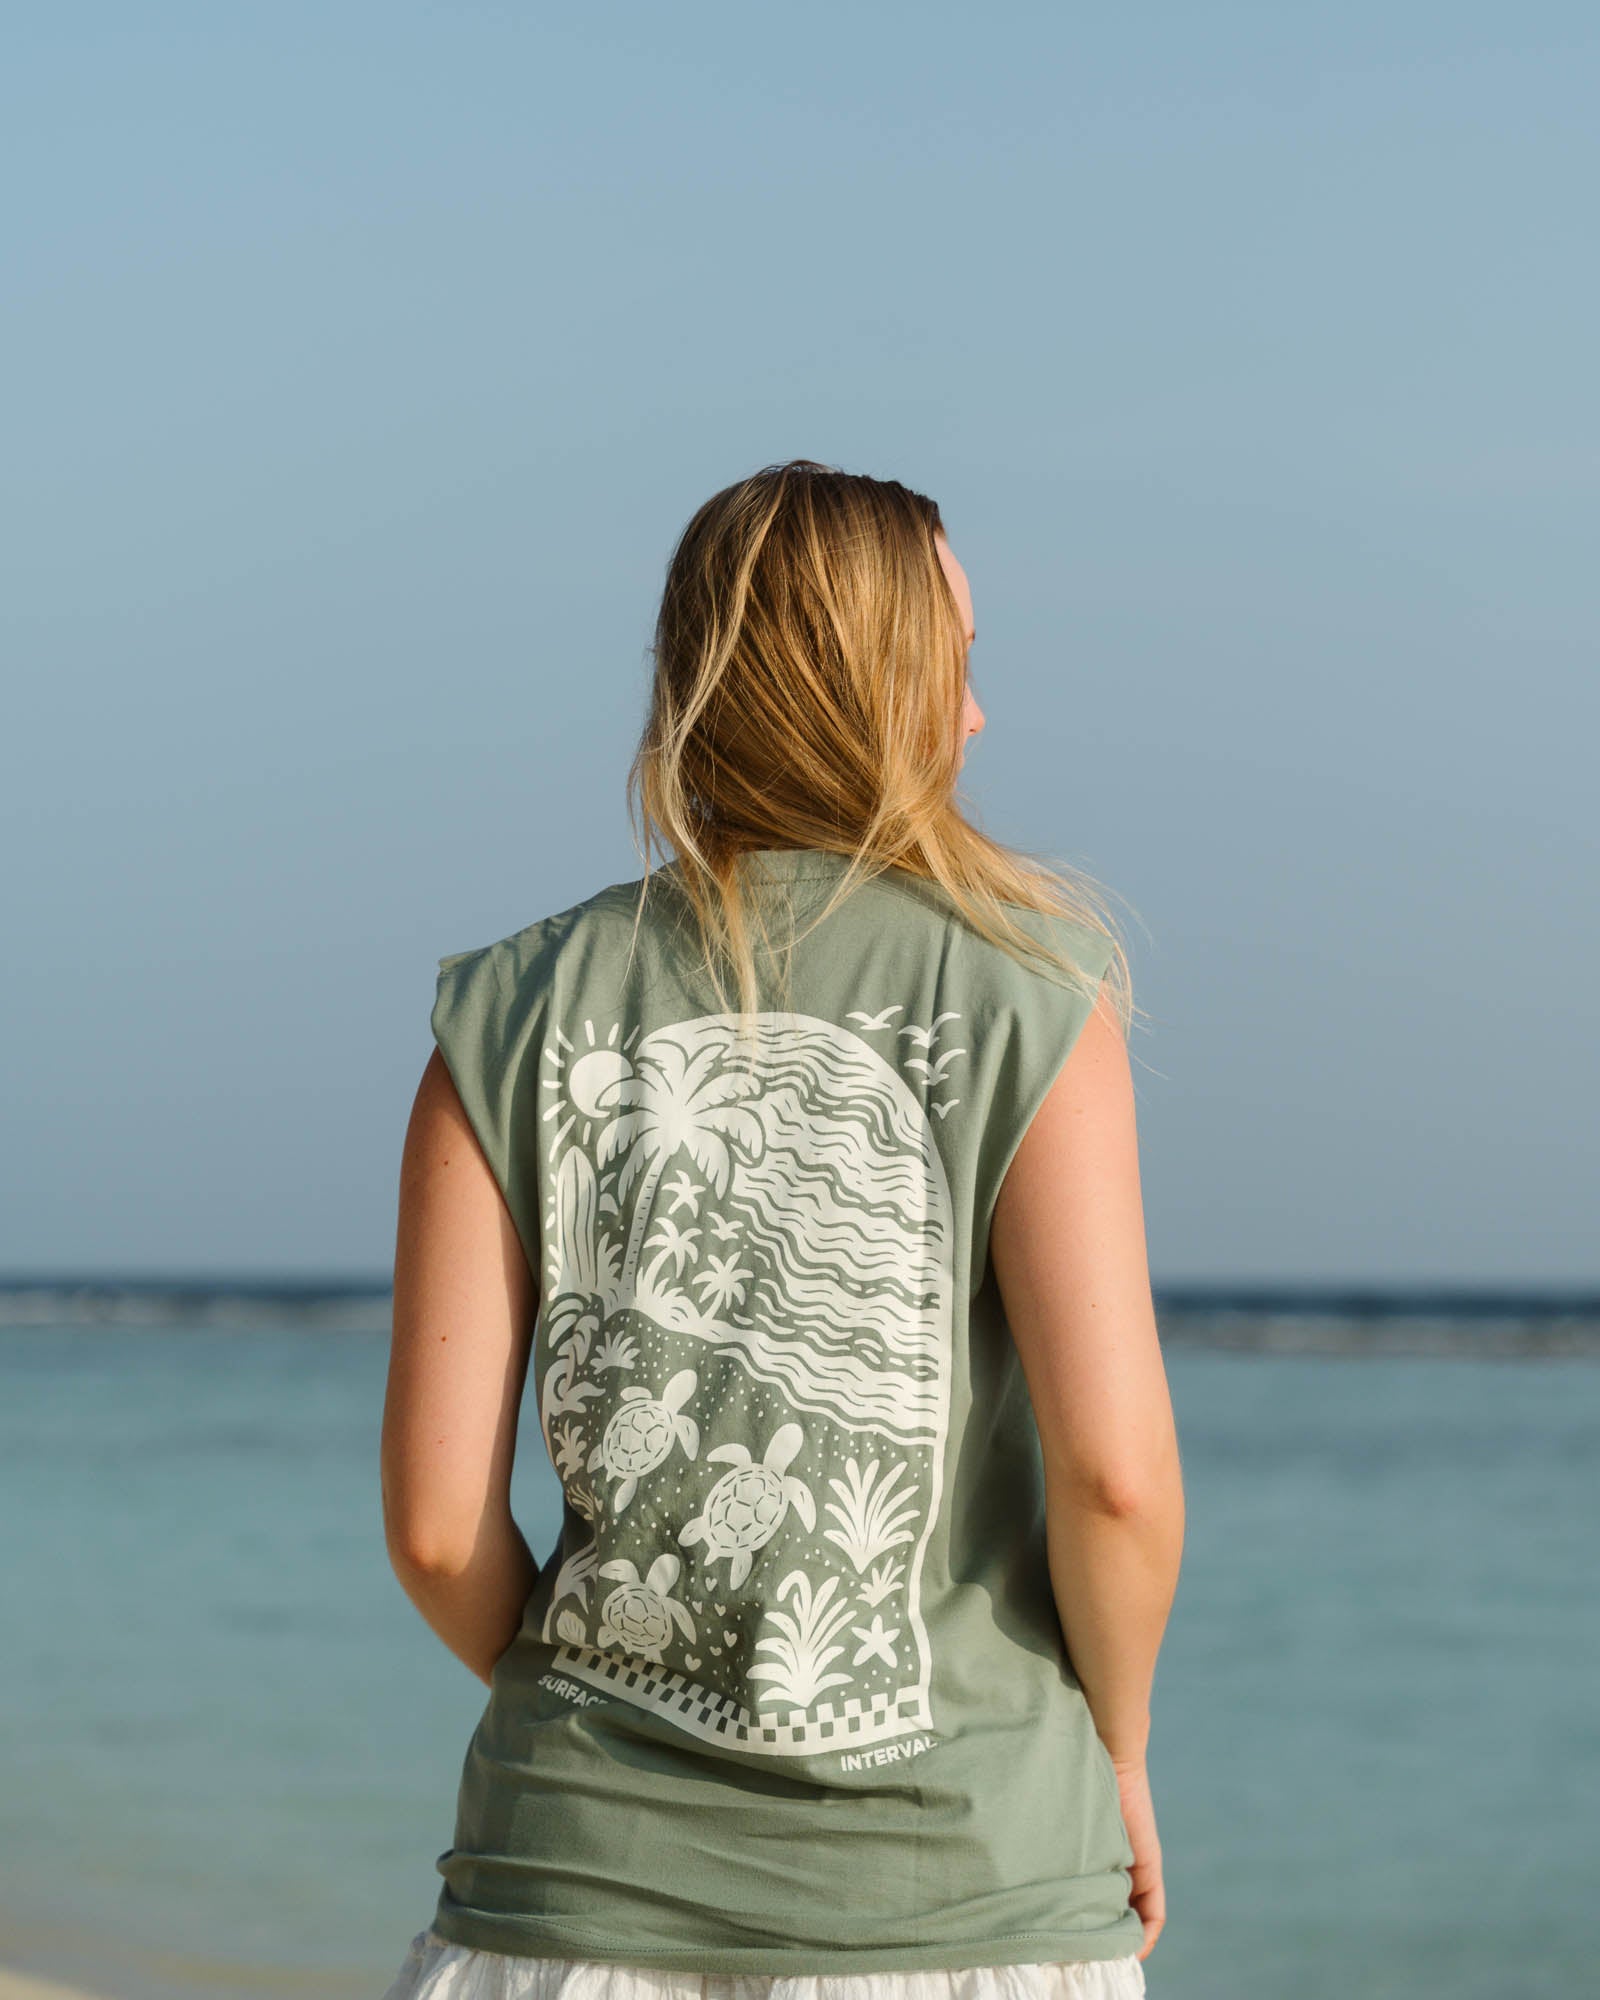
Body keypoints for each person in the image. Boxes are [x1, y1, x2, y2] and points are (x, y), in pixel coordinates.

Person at [379, 459, 1185, 2000]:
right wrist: (1121, 1756)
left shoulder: (507, 1014)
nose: (980, 715)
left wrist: (584, 1704)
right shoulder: (1032, 993)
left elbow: (433, 1529)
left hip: (565, 1896)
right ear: (885, 685)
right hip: (969, 1894)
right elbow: (1116, 1480)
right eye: (961, 662)